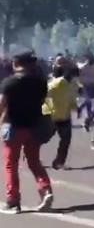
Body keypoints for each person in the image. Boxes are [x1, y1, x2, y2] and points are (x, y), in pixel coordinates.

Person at [0, 52, 54, 214]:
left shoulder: (9, 82)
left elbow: (2, 104)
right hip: (34, 126)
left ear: (16, 63)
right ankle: (46, 189)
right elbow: (44, 102)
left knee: (11, 164)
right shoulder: (40, 82)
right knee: (34, 161)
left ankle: (13, 199)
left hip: (13, 127)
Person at [44, 63, 79, 169]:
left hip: (65, 116)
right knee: (43, 138)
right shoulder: (56, 83)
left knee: (66, 140)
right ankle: (30, 156)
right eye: (74, 75)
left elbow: (72, 98)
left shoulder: (73, 85)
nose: (76, 78)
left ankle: (59, 162)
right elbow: (44, 94)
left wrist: (75, 107)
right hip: (52, 116)